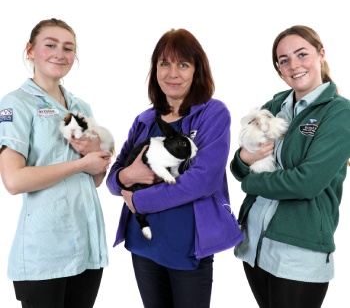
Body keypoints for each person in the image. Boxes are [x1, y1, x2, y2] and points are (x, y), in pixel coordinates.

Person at [106, 28, 243, 308]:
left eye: (183, 64)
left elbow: (202, 180)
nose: (172, 73)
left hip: (187, 247)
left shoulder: (213, 114)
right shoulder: (145, 119)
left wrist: (139, 199)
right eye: (164, 63)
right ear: (155, 69)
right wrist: (126, 176)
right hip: (143, 243)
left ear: (197, 70)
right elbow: (112, 181)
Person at [230, 25, 350, 308]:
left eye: (302, 54)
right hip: (255, 244)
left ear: (321, 55)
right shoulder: (275, 104)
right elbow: (239, 166)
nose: (294, 65)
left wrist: (249, 182)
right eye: (284, 60)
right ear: (279, 68)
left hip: (299, 251)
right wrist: (243, 160)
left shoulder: (339, 113)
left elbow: (306, 183)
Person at [0, 18, 111, 308]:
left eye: (68, 48)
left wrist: (98, 155)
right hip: (45, 252)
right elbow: (13, 181)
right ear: (30, 50)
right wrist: (80, 164)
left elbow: (95, 178)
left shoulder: (80, 107)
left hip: (86, 246)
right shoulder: (15, 105)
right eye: (50, 45)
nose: (59, 54)